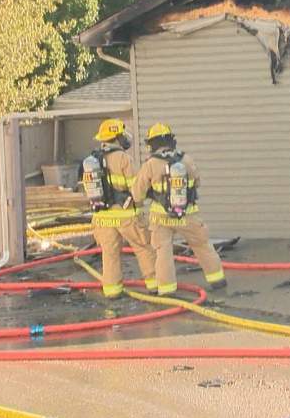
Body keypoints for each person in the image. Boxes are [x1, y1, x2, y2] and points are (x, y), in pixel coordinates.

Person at [131, 123, 227, 295]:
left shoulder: (150, 164)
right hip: (188, 214)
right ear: (170, 140)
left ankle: (167, 289)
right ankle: (217, 280)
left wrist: (138, 207)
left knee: (163, 252)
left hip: (160, 217)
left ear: (152, 143)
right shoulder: (186, 160)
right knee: (202, 245)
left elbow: (138, 192)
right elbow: (197, 182)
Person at [82, 119, 158, 298]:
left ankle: (112, 292)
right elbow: (135, 187)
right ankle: (155, 286)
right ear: (117, 137)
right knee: (144, 247)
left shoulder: (93, 160)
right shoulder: (123, 158)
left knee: (109, 254)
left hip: (102, 218)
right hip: (126, 215)